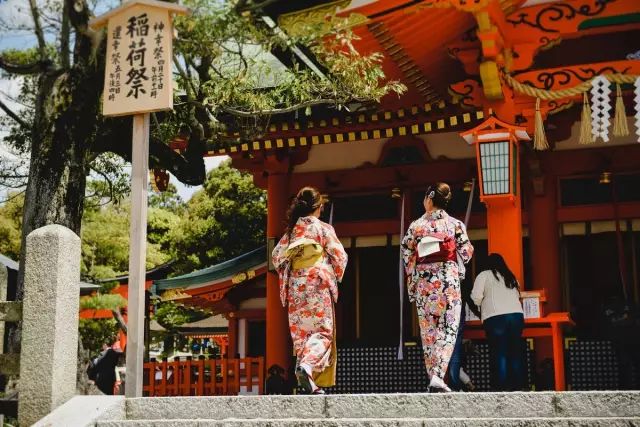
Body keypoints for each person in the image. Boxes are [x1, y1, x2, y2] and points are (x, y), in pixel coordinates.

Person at [272, 187, 348, 394]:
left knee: (303, 335)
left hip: (296, 285)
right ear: (318, 206)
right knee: (323, 332)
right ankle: (305, 366)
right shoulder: (323, 228)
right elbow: (340, 256)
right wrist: (330, 271)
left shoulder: (291, 232)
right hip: (317, 283)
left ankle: (309, 382)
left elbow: (277, 257)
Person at [401, 182, 474, 392]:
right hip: (447, 283)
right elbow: (467, 253)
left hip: (425, 285)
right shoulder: (455, 225)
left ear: (429, 198)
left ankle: (434, 376)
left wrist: (415, 279)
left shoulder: (416, 226)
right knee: (448, 330)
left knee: (429, 333)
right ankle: (438, 376)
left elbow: (407, 254)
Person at [471, 253, 525, 391]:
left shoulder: (483, 275)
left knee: (499, 353)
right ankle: (518, 388)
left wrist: (479, 306)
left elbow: (476, 297)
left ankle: (501, 389)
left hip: (496, 317)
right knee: (514, 352)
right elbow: (518, 296)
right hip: (517, 316)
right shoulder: (511, 276)